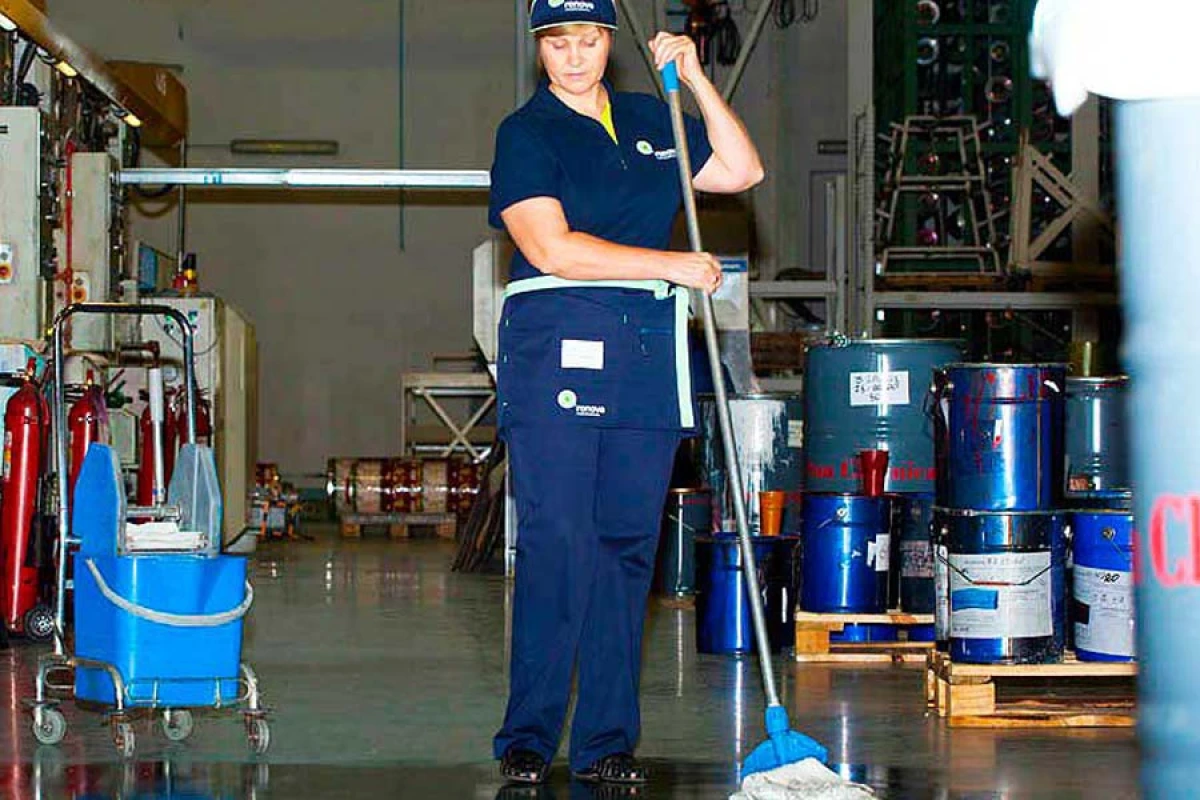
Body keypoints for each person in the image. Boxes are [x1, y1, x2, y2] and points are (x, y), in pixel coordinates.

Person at [489, 0, 764, 787]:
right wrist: (670, 264)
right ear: (539, 49)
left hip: (644, 353)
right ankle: (529, 736)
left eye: (588, 40)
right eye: (557, 44)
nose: (574, 57)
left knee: (625, 547)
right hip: (558, 349)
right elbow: (550, 247)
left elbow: (741, 171)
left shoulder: (652, 118)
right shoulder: (527, 133)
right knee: (559, 540)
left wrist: (697, 82)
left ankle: (607, 740)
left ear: (609, 42)